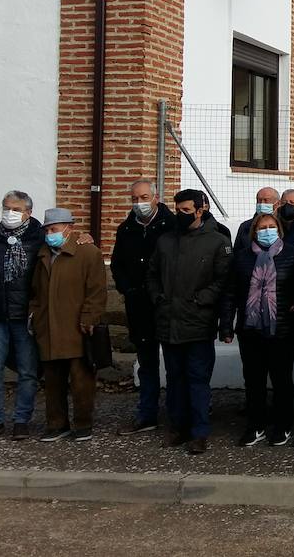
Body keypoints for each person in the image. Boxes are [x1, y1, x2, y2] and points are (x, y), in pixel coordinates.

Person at [147, 189, 232, 454]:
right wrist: (158, 298)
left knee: (197, 378)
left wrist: (201, 299)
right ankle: (177, 427)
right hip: (169, 320)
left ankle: (199, 432)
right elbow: (151, 274)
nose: (180, 215)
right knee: (174, 378)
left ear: (200, 210)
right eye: (177, 210)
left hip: (198, 321)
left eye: (186, 210)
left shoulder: (217, 241)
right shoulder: (165, 241)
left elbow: (224, 281)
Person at [221, 212, 294, 447]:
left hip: (282, 330)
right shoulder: (241, 259)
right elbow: (230, 293)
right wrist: (226, 325)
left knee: (282, 381)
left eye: (271, 226)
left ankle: (282, 425)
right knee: (254, 381)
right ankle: (255, 425)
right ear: (254, 232)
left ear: (279, 229)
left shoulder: (293, 254)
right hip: (251, 330)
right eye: (261, 228)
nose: (267, 231)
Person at [30, 207, 108, 442]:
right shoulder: (43, 254)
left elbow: (96, 290)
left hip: (77, 327)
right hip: (49, 327)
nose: (49, 233)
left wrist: (89, 317)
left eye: (54, 229)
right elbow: (36, 290)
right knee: (53, 381)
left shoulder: (88, 253)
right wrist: (34, 315)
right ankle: (56, 424)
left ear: (69, 228)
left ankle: (83, 424)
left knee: (81, 380)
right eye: (47, 230)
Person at [0, 191, 44, 441]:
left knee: (28, 371)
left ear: (28, 212)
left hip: (25, 317)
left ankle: (21, 420)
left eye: (16, 209)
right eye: (6, 208)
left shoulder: (40, 237)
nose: (10, 213)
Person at [110, 178, 176, 436]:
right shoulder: (126, 229)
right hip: (138, 306)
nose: (139, 203)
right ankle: (146, 414)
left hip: (166, 305)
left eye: (144, 197)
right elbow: (117, 264)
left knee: (173, 363)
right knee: (146, 363)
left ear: (156, 198)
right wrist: (127, 288)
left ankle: (175, 414)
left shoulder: (171, 226)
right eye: (135, 198)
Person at [234, 187, 281, 254]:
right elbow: (237, 252)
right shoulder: (245, 227)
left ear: (278, 203)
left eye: (266, 200)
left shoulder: (284, 224)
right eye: (259, 200)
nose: (262, 203)